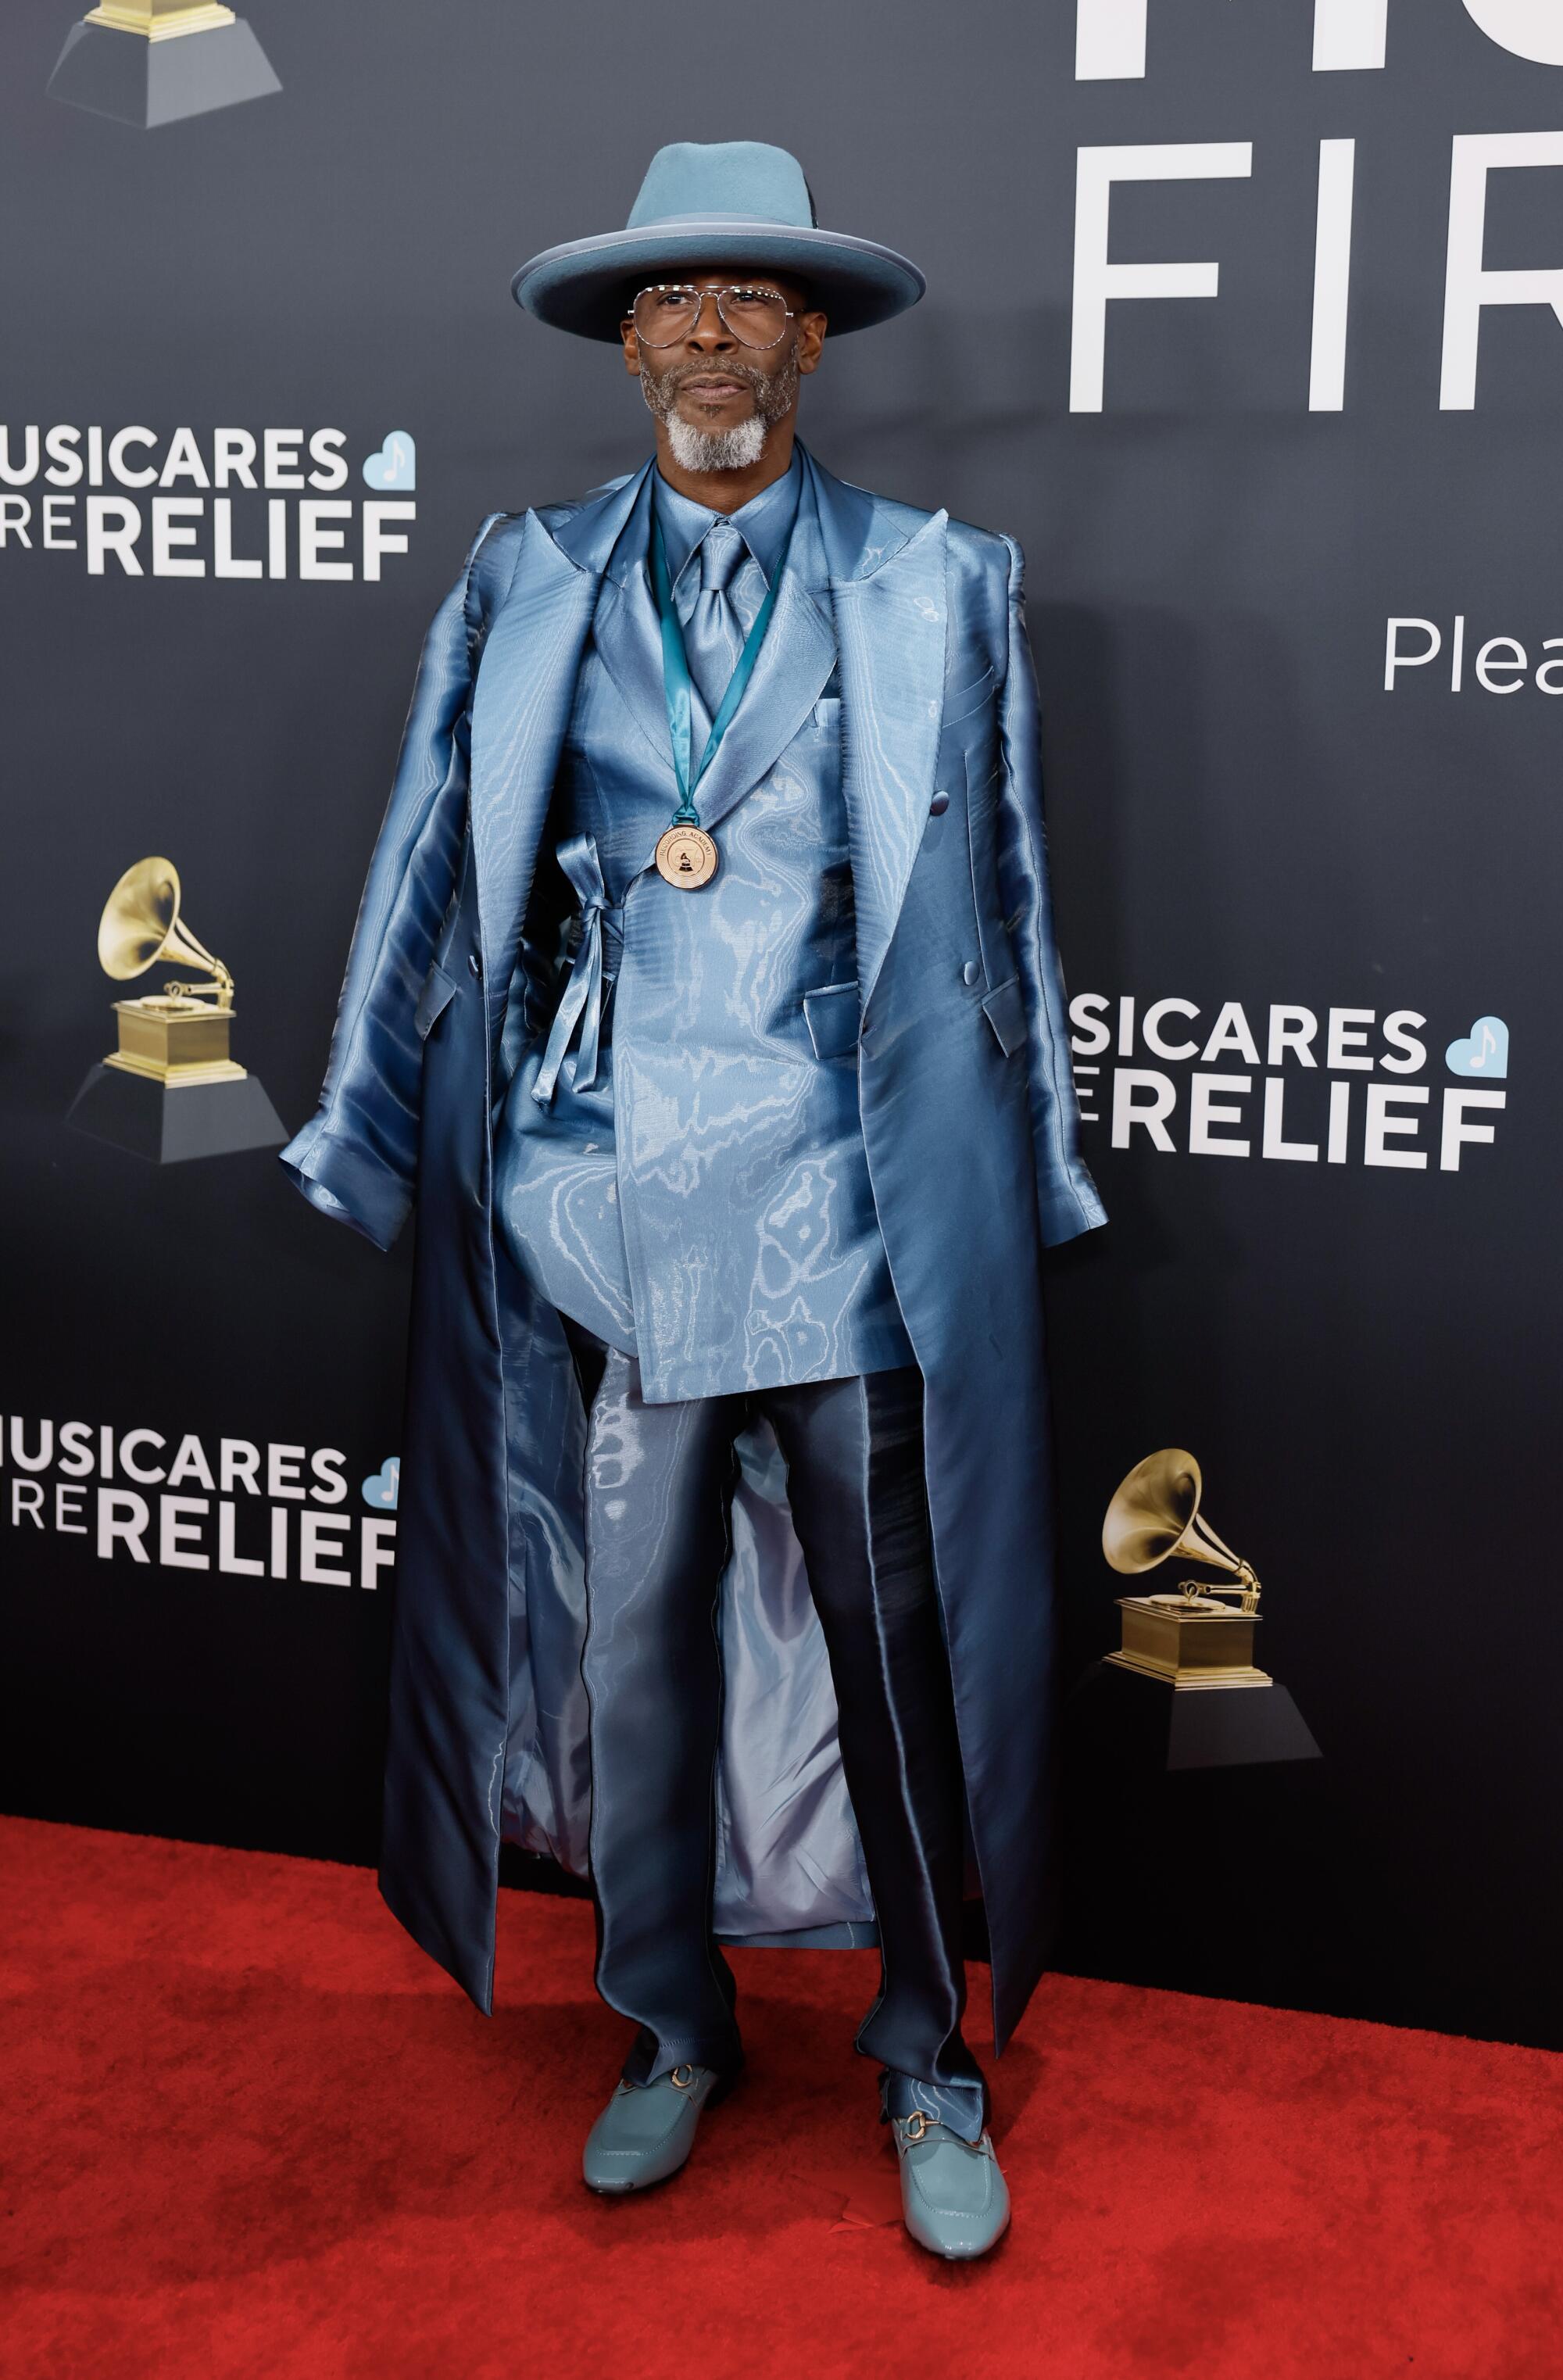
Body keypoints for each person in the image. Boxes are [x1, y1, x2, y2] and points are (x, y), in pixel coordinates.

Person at [280, 138, 1105, 2262]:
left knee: (890, 1644)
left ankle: (929, 2055)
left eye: (750, 301)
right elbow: (427, 868)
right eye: (671, 304)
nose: (710, 334)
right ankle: (668, 2025)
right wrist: (370, 1122)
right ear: (623, 343)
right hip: (612, 1192)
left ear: (810, 341)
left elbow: (1005, 911)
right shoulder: (523, 575)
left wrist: (1039, 1171)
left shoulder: (943, 578)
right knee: (628, 1650)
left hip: (845, 1185)